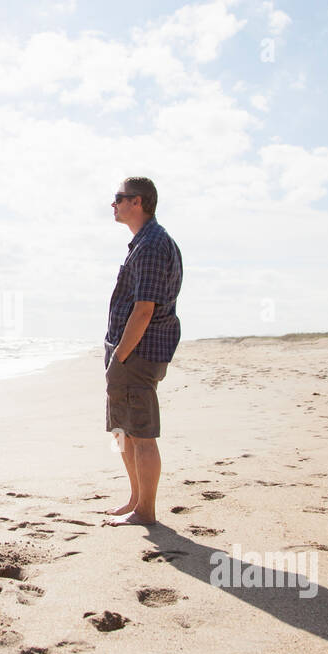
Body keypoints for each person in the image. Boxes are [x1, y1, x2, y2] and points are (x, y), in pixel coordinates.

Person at [101, 176, 183, 526]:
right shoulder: (143, 242)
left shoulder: (152, 244)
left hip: (137, 353)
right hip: (128, 352)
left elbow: (144, 309)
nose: (113, 204)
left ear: (139, 202)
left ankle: (145, 510)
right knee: (123, 430)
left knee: (141, 432)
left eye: (118, 198)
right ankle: (136, 499)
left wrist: (120, 354)